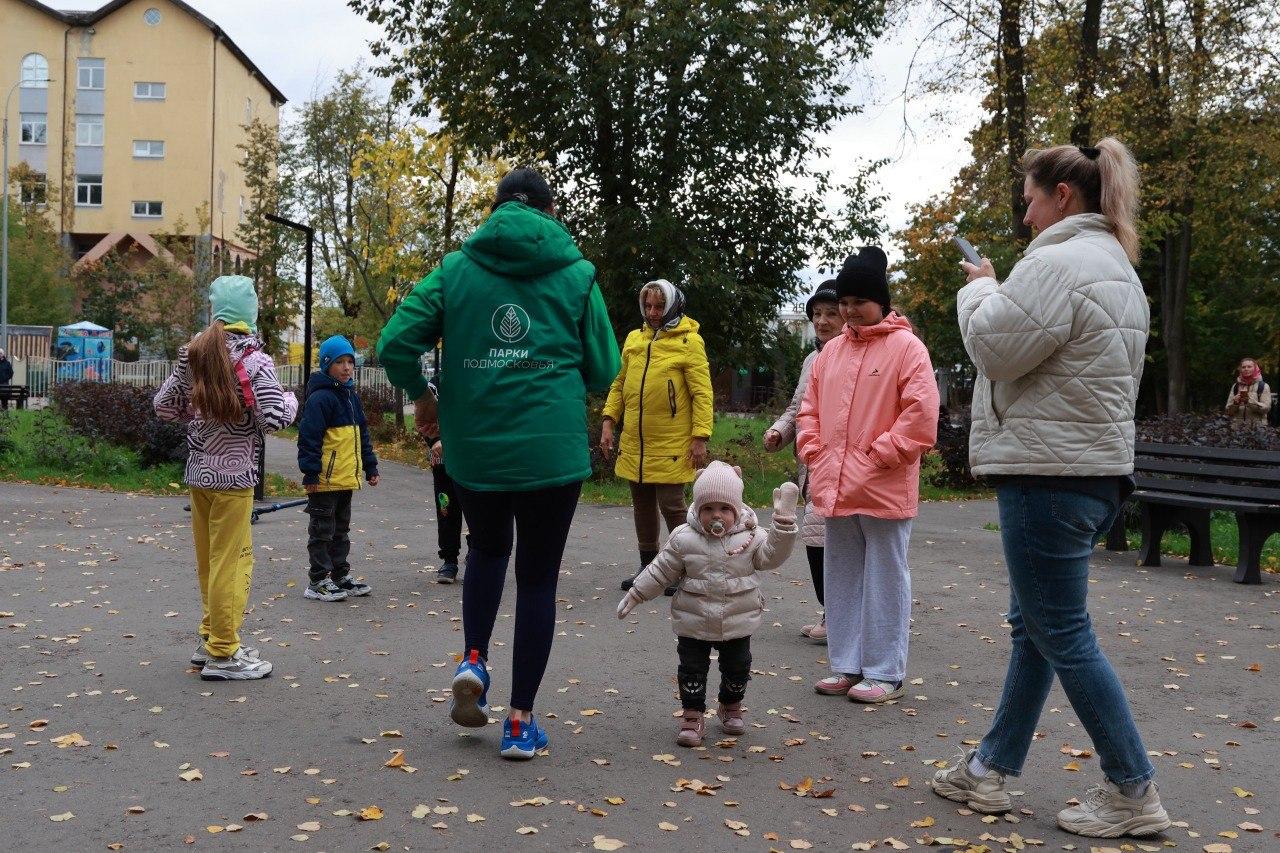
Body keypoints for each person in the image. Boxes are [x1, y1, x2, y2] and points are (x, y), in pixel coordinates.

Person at [934, 138, 1172, 839]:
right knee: (1036, 628)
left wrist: (980, 286)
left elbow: (994, 348)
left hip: (1048, 475)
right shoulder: (1115, 267)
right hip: (1091, 472)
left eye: (1031, 200)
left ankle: (1132, 787)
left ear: (1062, 196)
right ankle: (991, 767)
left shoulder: (1059, 261)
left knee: (1060, 630)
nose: (1026, 216)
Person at [376, 167, 620, 759]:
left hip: (475, 449)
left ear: (494, 211)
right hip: (550, 451)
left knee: (486, 550)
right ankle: (519, 722)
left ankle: (474, 660)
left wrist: (426, 396)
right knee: (537, 579)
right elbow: (605, 369)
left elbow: (393, 345)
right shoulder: (578, 275)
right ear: (549, 212)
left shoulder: (455, 271)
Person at [796, 247, 939, 704]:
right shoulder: (831, 352)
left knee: (885, 577)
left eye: (860, 300)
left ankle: (884, 671)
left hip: (883, 482)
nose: (850, 309)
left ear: (881, 300)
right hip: (835, 482)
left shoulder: (907, 348)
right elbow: (810, 410)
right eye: (845, 300)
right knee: (842, 575)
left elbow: (920, 415)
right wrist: (813, 452)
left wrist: (879, 456)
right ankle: (846, 663)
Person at [153, 275, 298, 681]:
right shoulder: (253, 360)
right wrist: (292, 399)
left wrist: (198, 416)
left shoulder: (194, 355)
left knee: (209, 563)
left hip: (199, 476)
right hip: (234, 481)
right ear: (249, 315)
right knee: (231, 564)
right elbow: (274, 416)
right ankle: (223, 653)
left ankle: (211, 637)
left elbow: (164, 407)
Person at [617, 462, 798, 746]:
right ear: (697, 509)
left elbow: (771, 557)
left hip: (737, 619)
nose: (717, 515)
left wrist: (782, 526)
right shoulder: (684, 538)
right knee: (692, 669)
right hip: (694, 619)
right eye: (708, 508)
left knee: (738, 667)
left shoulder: (751, 536)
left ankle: (731, 705)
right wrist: (637, 593)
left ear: (736, 510)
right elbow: (660, 570)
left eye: (725, 509)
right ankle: (692, 714)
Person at [602, 279, 714, 593]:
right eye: (648, 305)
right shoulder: (634, 339)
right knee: (641, 504)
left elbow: (702, 393)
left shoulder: (689, 342)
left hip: (672, 440)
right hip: (635, 440)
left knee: (672, 504)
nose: (653, 312)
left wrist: (700, 436)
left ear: (673, 305)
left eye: (659, 305)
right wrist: (609, 421)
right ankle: (649, 565)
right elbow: (619, 384)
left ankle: (681, 567)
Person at [763, 281, 842, 642]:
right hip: (811, 465)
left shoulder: (853, 355)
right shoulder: (812, 359)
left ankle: (845, 617)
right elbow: (797, 408)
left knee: (838, 541)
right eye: (816, 314)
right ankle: (831, 613)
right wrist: (780, 431)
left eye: (830, 313)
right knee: (815, 538)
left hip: (843, 464)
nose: (822, 321)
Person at [296, 335, 380, 602]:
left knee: (341, 530)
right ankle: (317, 580)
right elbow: (309, 438)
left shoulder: (350, 397)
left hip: (345, 478)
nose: (346, 368)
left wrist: (370, 465)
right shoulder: (320, 398)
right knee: (322, 530)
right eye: (340, 362)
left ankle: (339, 575)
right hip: (323, 480)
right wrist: (310, 473)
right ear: (326, 365)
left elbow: (361, 436)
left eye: (350, 362)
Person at [423, 368, 466, 584]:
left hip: (474, 462)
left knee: (479, 509)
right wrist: (434, 440)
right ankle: (449, 559)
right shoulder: (435, 384)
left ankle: (477, 551)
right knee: (446, 509)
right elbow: (425, 418)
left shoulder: (478, 378)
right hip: (444, 463)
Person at [1224, 358, 1272, 427]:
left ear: (1255, 368)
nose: (1246, 369)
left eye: (1249, 367)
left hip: (1257, 430)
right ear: (1240, 369)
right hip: (1237, 429)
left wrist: (1250, 402)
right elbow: (1228, 411)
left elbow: (1266, 409)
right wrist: (1235, 403)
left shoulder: (1263, 386)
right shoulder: (1235, 386)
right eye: (1243, 367)